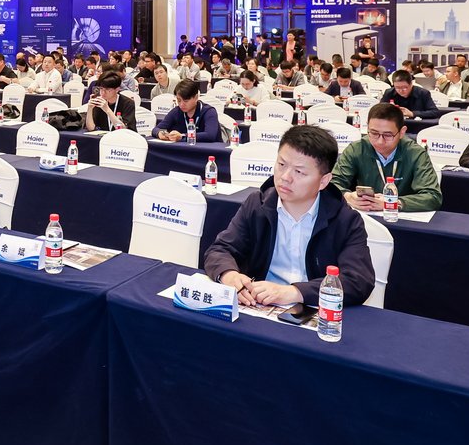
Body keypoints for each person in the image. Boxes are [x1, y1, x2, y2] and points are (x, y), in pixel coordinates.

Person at [204, 125, 375, 312]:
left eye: (299, 172)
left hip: (313, 311)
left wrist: (295, 292)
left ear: (323, 181)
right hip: (258, 307)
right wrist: (229, 275)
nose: (285, 177)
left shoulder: (346, 220)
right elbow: (220, 249)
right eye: (281, 165)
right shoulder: (257, 204)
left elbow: (358, 280)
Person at [332, 104, 443, 212]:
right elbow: (332, 184)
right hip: (365, 215)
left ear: (402, 132)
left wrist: (393, 203)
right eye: (374, 133)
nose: (380, 141)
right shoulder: (356, 149)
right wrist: (348, 197)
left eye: (388, 135)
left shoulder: (416, 154)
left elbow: (433, 197)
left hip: (400, 218)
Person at [152, 79, 221, 142]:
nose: (181, 104)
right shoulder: (176, 111)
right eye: (179, 100)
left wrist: (182, 136)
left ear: (196, 97)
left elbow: (210, 135)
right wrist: (159, 133)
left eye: (186, 101)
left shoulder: (209, 112)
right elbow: (156, 129)